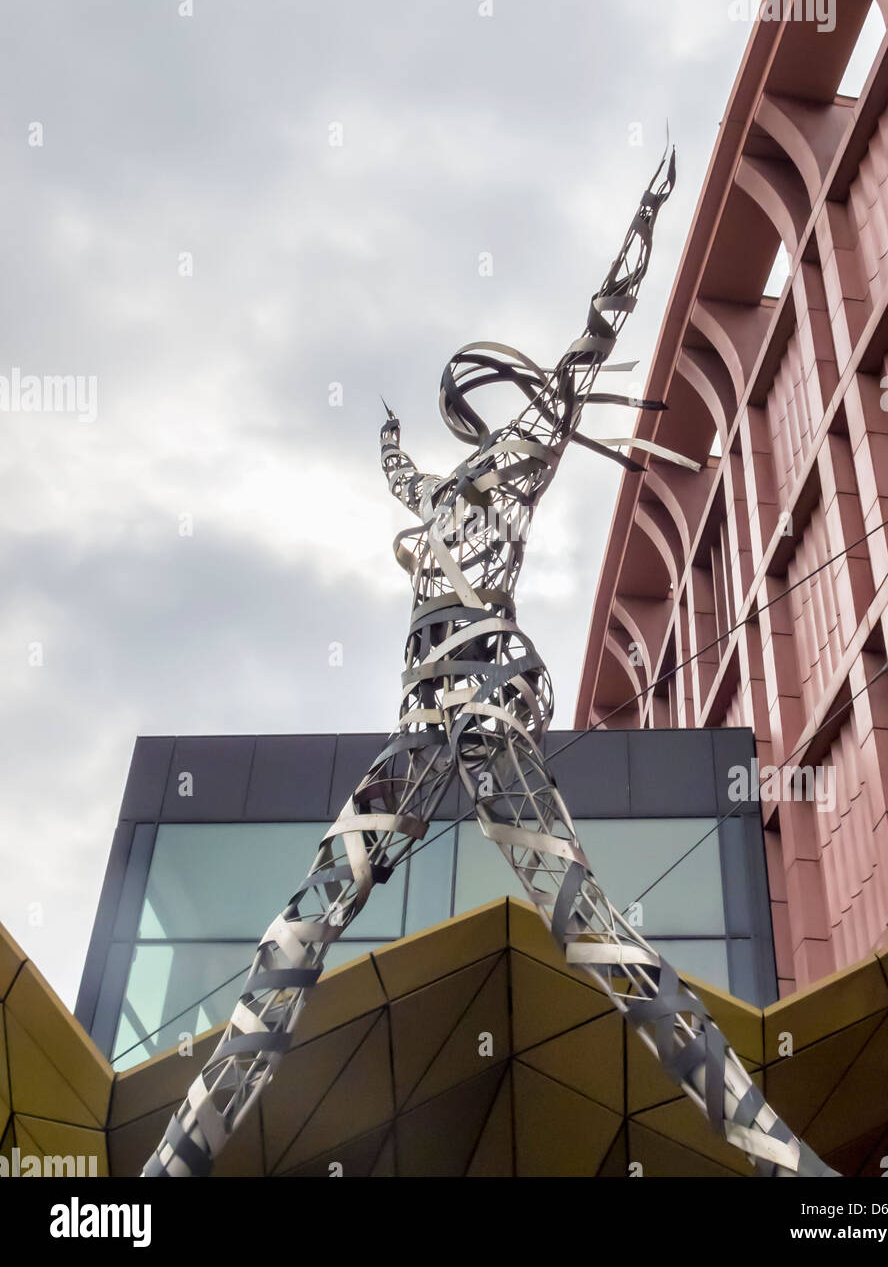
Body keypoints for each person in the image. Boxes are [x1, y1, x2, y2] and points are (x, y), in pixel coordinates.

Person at [143, 151, 837, 1179]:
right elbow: (402, 477)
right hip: (422, 723)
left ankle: (791, 1169)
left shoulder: (518, 462)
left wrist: (642, 224)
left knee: (594, 931)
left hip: (486, 713)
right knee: (297, 931)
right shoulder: (437, 499)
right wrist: (387, 435)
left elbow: (585, 346)